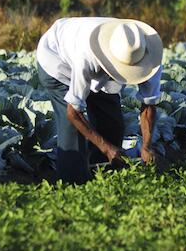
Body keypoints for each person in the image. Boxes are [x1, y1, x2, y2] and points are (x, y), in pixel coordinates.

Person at [35, 17, 163, 184]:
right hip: (57, 59)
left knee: (112, 123)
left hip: (98, 62)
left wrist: (146, 146)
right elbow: (73, 113)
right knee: (72, 133)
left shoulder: (148, 57)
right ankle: (74, 186)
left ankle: (102, 176)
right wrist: (106, 148)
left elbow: (148, 104)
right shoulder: (86, 56)